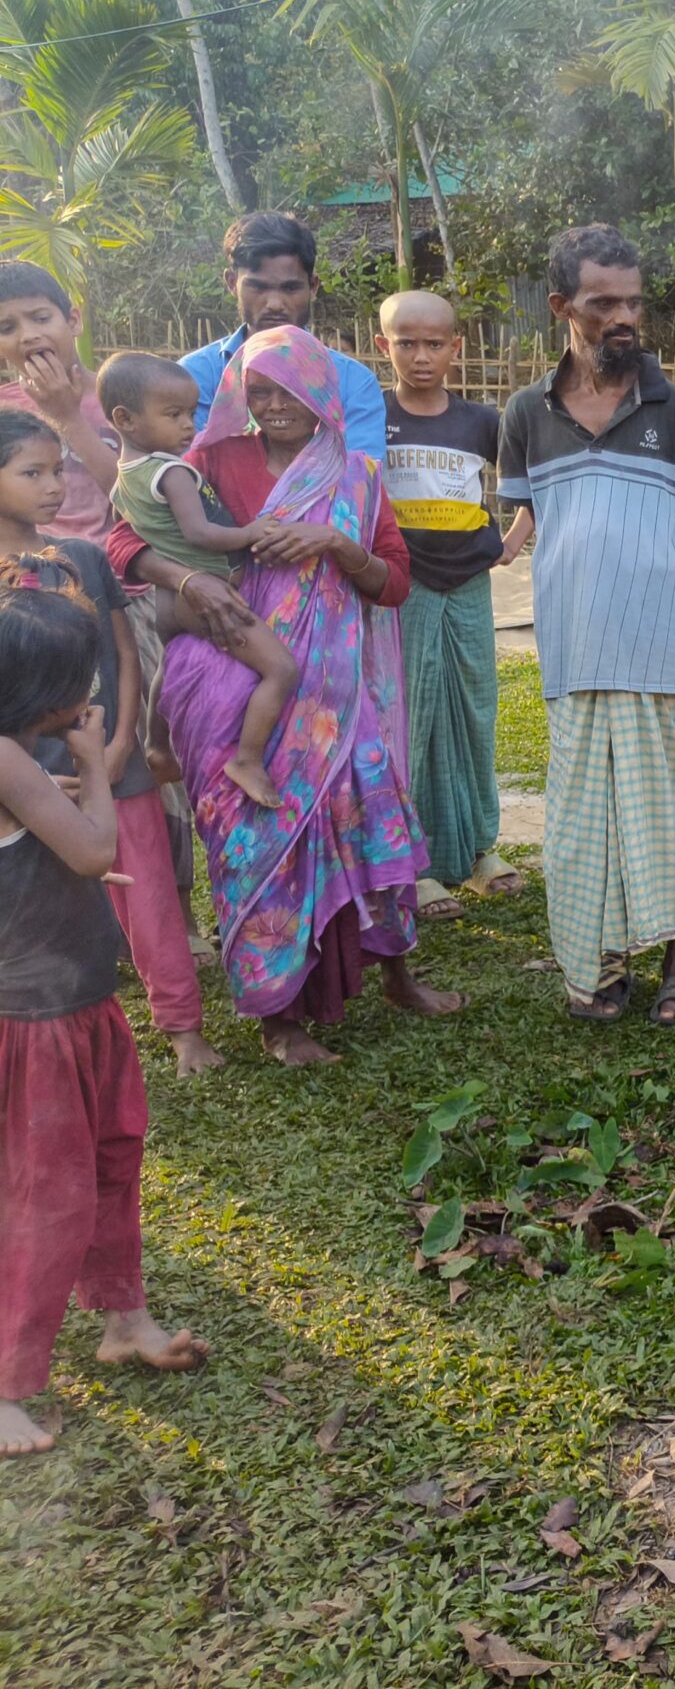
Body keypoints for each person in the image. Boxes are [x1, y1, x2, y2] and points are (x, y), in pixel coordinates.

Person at [106, 327, 462, 1065]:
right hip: (226, 676)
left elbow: (393, 581)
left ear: (321, 392)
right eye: (256, 390)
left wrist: (334, 544)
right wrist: (189, 578)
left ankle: (398, 973)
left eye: (285, 390)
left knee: (370, 814)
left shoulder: (357, 476)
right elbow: (122, 540)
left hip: (335, 686)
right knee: (255, 835)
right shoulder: (208, 461)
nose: (270, 406)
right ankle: (279, 1019)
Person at [498, 225, 675, 1027]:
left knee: (659, 808)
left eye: (634, 300)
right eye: (604, 303)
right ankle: (598, 961)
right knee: (580, 816)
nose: (625, 316)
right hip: (568, 646)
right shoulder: (526, 412)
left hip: (657, 647)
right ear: (563, 306)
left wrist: (652, 592)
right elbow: (531, 517)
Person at [0, 588, 210, 1457]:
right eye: (78, 677)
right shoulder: (8, 759)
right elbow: (94, 848)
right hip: (38, 1017)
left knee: (114, 1157)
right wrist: (91, 761)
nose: (90, 688)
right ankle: (8, 1380)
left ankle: (124, 1316)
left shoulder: (20, 759)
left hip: (83, 1002)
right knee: (47, 1195)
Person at [0, 413, 218, 1076]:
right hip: (28, 782)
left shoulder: (86, 556)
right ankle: (50, 1029)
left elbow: (123, 654)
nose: (53, 485)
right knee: (42, 901)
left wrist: (122, 739)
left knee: (148, 894)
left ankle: (183, 1030)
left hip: (112, 764)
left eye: (58, 468)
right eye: (31, 472)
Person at [375, 290, 522, 919]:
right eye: (406, 342)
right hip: (402, 586)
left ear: (455, 348)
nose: (421, 355)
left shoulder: (481, 421)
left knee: (473, 708)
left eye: (435, 343)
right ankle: (417, 863)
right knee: (411, 715)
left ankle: (480, 849)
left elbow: (525, 483)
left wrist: (510, 542)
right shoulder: (372, 415)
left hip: (468, 581)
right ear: (384, 346)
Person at [99, 352, 299, 810]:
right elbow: (199, 532)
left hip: (169, 598)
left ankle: (158, 744)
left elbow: (135, 531)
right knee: (281, 669)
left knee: (168, 666)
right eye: (173, 415)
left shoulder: (123, 480)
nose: (189, 426)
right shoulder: (172, 472)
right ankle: (247, 759)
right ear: (125, 419)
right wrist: (251, 533)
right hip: (205, 590)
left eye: (191, 413)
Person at [179, 212, 388, 458]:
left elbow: (359, 479)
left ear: (313, 286)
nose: (275, 303)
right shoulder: (195, 377)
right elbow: (185, 473)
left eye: (290, 288)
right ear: (232, 282)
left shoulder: (352, 383)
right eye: (258, 286)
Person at [0, 263, 119, 546]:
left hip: (116, 573)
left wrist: (67, 416)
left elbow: (141, 501)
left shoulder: (123, 398)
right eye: (6, 328)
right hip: (26, 572)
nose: (27, 335)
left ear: (74, 320)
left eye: (41, 318)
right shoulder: (4, 409)